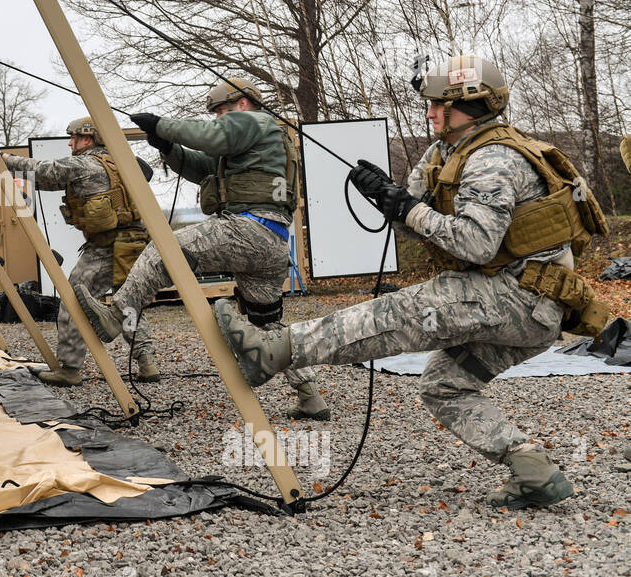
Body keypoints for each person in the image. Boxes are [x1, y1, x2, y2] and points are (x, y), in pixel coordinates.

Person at [213, 55, 609, 509]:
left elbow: (477, 243)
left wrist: (406, 208)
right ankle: (532, 468)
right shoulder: (445, 151)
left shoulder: (493, 158)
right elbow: (417, 219)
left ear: (473, 107)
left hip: (521, 297)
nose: (430, 113)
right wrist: (387, 197)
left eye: (441, 105)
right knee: (444, 384)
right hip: (523, 303)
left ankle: (273, 352)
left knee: (403, 309)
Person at [75, 80, 329, 419]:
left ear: (243, 103)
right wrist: (168, 148)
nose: (219, 117)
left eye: (222, 110)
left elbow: (213, 136)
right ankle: (310, 396)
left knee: (161, 249)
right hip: (272, 243)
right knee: (267, 326)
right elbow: (205, 168)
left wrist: (161, 124)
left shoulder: (257, 121)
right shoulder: (256, 143)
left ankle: (117, 314)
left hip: (247, 230)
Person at [1, 117, 160, 386]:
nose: (70, 142)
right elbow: (51, 182)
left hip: (106, 247)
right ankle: (147, 362)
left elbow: (43, 171)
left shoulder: (84, 163)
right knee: (127, 301)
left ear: (88, 139)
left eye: (73, 137)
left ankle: (69, 369)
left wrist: (6, 160)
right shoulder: (118, 164)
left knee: (73, 300)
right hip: (134, 244)